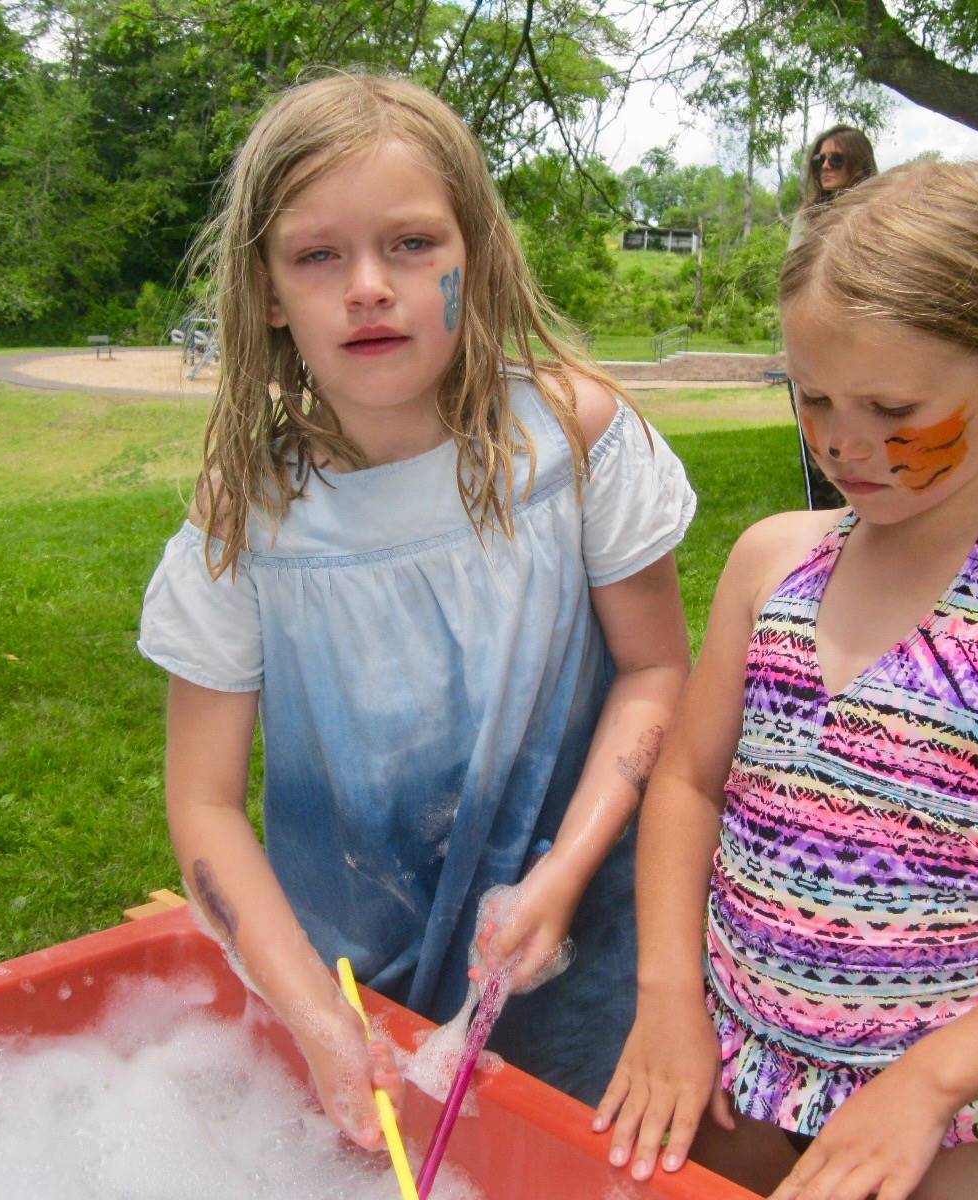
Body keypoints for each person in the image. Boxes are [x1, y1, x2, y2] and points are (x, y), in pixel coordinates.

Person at [592, 161, 978, 1200]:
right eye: (814, 396)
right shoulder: (771, 560)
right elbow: (689, 782)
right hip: (729, 1078)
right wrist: (665, 999)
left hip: (928, 1127)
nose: (843, 442)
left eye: (891, 406)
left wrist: (928, 1084)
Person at [136, 73, 696, 1151]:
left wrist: (561, 872)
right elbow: (204, 805)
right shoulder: (244, 521)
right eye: (317, 256)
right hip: (351, 982)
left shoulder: (572, 440)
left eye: (409, 245)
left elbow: (655, 672)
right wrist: (313, 1015)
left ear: (471, 256)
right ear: (264, 289)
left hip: (584, 955)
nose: (366, 288)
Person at [788, 126, 878, 512]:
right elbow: (792, 286)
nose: (825, 166)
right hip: (813, 350)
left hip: (863, 349)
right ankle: (824, 527)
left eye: (836, 159)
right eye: (819, 159)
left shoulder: (879, 212)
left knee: (865, 444)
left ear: (858, 163)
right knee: (818, 449)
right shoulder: (806, 220)